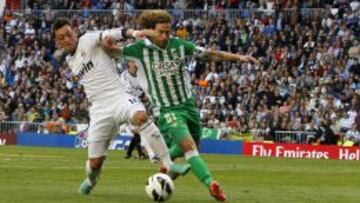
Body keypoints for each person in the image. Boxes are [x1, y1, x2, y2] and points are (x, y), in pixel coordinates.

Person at [101, 10, 260, 202]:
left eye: (168, 31)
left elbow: (209, 54)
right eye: (161, 32)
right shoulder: (139, 49)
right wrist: (119, 37)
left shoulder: (178, 45)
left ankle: (165, 167)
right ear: (150, 31)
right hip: (167, 110)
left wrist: (238, 57)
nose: (166, 36)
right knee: (189, 146)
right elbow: (109, 49)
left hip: (189, 107)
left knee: (193, 145)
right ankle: (211, 184)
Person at [51, 18, 190, 195]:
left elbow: (112, 33)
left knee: (141, 116)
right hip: (99, 110)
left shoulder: (88, 39)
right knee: (95, 164)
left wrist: (133, 33)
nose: (67, 39)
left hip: (119, 97)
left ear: (75, 32)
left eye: (69, 34)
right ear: (57, 42)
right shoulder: (70, 59)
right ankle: (91, 180)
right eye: (62, 38)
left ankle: (169, 164)